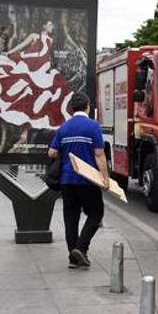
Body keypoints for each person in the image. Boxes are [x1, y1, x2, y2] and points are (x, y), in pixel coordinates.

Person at [0, 20, 73, 146]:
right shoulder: (34, 36)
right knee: (24, 84)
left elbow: (48, 55)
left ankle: (28, 130)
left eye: (53, 25)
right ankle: (23, 128)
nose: (52, 26)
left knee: (52, 89)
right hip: (31, 65)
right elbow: (21, 46)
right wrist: (9, 53)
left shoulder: (51, 41)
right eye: (50, 24)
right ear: (44, 25)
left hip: (43, 68)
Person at [48, 93, 108, 269]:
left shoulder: (64, 128)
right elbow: (99, 154)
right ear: (87, 106)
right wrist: (105, 178)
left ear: (72, 108)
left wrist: (65, 153)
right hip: (87, 180)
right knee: (96, 213)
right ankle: (81, 248)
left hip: (67, 180)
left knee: (71, 218)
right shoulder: (93, 126)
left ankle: (73, 259)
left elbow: (51, 153)